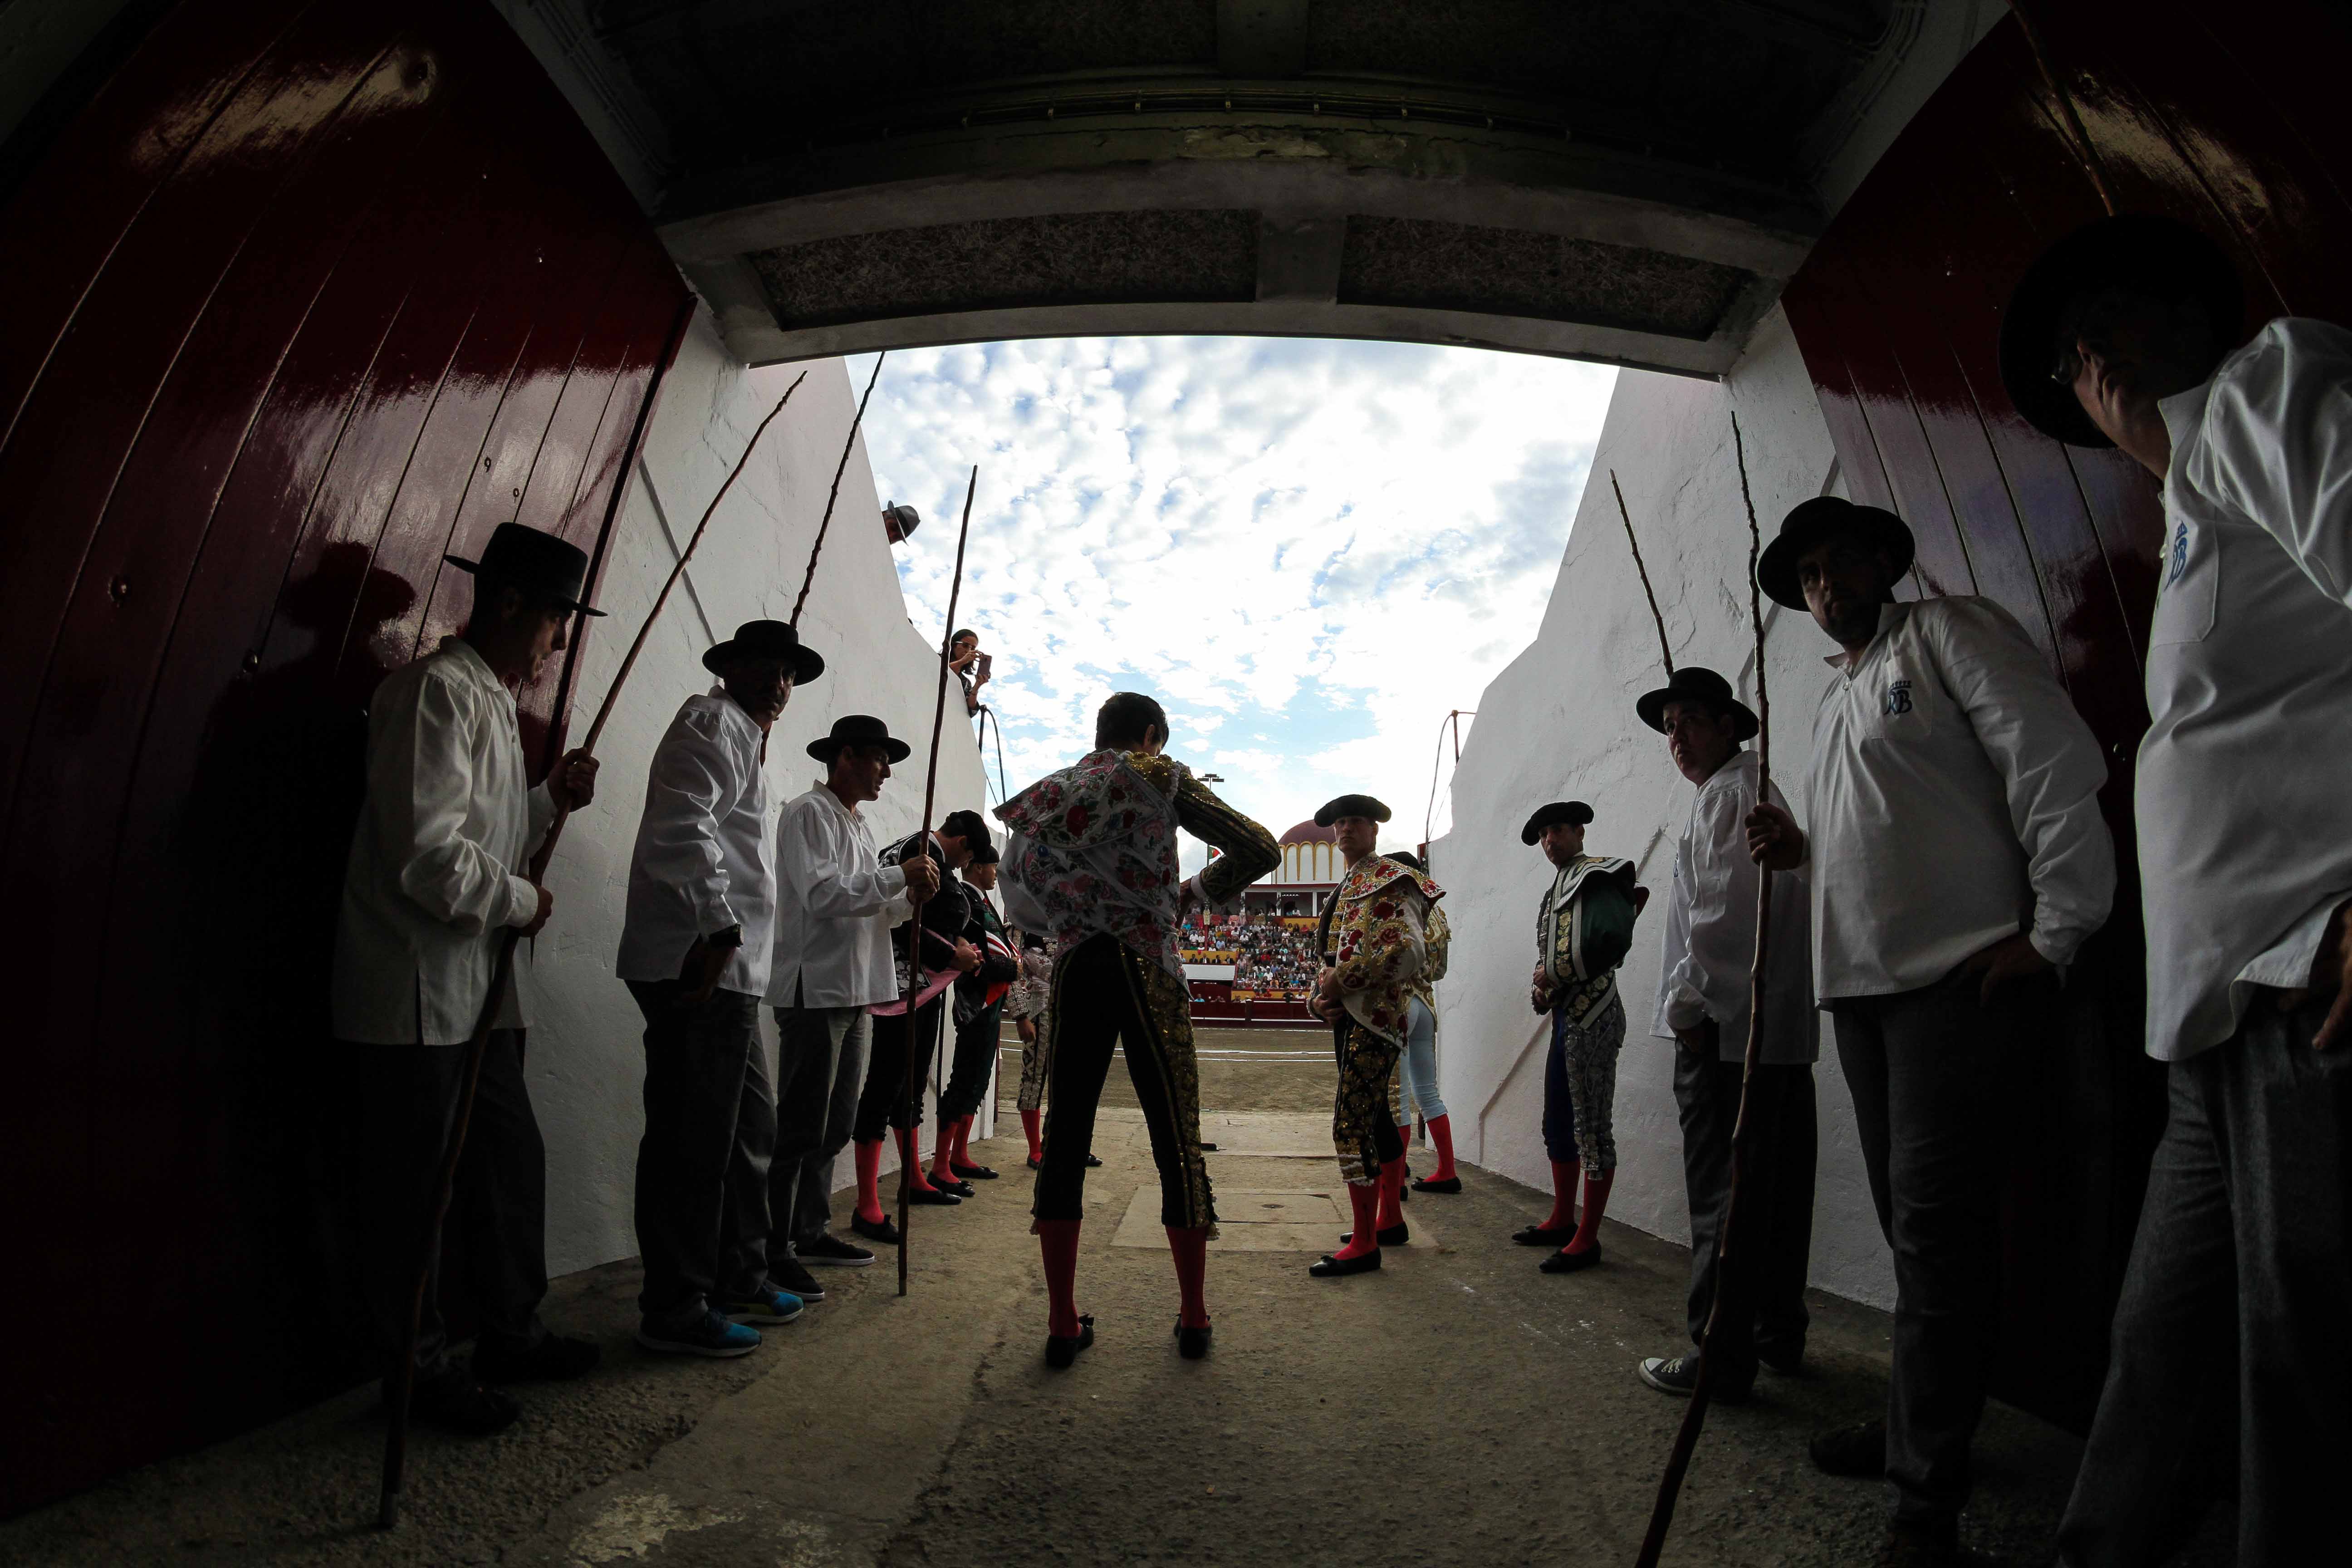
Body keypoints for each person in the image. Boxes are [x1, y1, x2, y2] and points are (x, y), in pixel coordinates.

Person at [2000, 215, 2352, 1568]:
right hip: (2210, 1018)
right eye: (2073, 357)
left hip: (2301, 978)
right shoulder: (2195, 507)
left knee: (2300, 1372)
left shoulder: (2275, 385)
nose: (2092, 356)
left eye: (2113, 318)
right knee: (2159, 1350)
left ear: (2191, 316)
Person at [1744, 495, 2116, 1566]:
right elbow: (1886, 831)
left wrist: (2059, 927)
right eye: (1806, 574)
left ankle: (1925, 1502)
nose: (1823, 585)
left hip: (1958, 983)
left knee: (1941, 1235)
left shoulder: (1948, 631)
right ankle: (1926, 1426)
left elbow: (2046, 757)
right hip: (1859, 994)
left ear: (1881, 562)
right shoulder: (1833, 697)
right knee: (1920, 1233)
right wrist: (1797, 848)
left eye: (1838, 562)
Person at [333, 521, 604, 1435]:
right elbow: (426, 860)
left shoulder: (487, 702)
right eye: (556, 618)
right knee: (415, 1194)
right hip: (414, 995)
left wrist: (545, 802)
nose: (559, 639)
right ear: (511, 602)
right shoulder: (430, 696)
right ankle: (418, 1372)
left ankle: (510, 1334)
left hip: (480, 991)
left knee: (506, 1162)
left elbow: (485, 838)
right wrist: (525, 902)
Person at [996, 692, 1279, 1365]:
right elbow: (1259, 849)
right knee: (1176, 1137)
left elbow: (1021, 894)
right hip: (1148, 963)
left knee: (1065, 1139)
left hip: (1072, 967)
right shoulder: (1159, 775)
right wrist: (1193, 893)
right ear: (1151, 735)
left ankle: (1062, 1322)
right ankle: (1193, 1316)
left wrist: (1076, 913)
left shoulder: (1046, 797)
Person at [617, 620, 822, 1357]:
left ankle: (736, 1273)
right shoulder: (712, 722)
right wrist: (717, 930)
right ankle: (674, 1305)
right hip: (700, 964)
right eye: (765, 667)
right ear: (730, 668)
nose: (778, 683)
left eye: (789, 674)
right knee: (691, 1141)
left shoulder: (744, 737)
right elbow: (682, 827)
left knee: (745, 1133)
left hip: (729, 972)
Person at [1629, 666, 1816, 1404]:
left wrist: (1687, 1013)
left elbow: (1714, 926)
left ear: (1730, 726)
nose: (1675, 738)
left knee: (1723, 1195)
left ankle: (1718, 1355)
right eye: (1668, 727)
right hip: (1769, 1037)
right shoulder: (1752, 790)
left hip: (1723, 1035)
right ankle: (1776, 1334)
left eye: (1690, 722)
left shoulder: (1728, 797)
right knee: (1774, 1192)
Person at [764, 716, 938, 1301]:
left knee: (835, 1124)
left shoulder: (858, 826)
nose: (887, 772)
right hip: (816, 990)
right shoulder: (807, 814)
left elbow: (871, 910)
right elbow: (821, 895)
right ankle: (772, 1246)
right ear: (844, 757)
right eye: (878, 759)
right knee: (800, 1126)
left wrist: (908, 900)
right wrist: (895, 877)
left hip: (856, 989)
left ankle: (808, 1230)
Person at [1306, 797, 1444, 1278]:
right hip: (1351, 1018)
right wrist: (1318, 1000)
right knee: (1379, 1119)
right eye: (1340, 822)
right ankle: (1390, 1221)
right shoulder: (1343, 889)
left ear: (1375, 829)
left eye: (1355, 821)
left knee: (1351, 1125)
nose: (1345, 829)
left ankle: (1365, 1243)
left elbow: (1409, 953)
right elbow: (1327, 962)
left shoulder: (1390, 879)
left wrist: (1345, 982)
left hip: (1376, 1020)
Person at [844, 808, 988, 1240]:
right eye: (969, 859)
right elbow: (900, 925)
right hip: (904, 983)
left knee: (906, 1080)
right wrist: (952, 956)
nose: (966, 869)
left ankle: (911, 1177)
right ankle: (866, 1204)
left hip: (918, 984)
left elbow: (930, 923)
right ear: (963, 844)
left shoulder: (922, 851)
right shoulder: (922, 855)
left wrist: (958, 945)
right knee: (886, 1082)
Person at [1516, 801, 1646, 1273]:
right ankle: (1562, 1218)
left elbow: (1612, 939)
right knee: (1560, 1119)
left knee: (1590, 1124)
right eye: (1545, 835)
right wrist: (1546, 982)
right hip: (1569, 1013)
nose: (1550, 841)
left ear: (1579, 832)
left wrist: (1548, 973)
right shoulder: (1560, 888)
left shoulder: (1601, 874)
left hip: (1594, 1013)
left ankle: (1587, 1237)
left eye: (1558, 831)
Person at [926, 843, 1019, 1190]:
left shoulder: (977, 900)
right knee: (965, 1078)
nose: (995, 873)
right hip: (975, 999)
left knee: (978, 1078)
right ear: (979, 867)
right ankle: (941, 1163)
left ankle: (958, 1154)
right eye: (992, 867)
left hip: (986, 1000)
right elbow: (979, 953)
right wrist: (1014, 966)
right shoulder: (966, 900)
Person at [1382, 850, 1461, 1195]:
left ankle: (1396, 1178)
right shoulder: (1437, 913)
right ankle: (1446, 1170)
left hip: (1398, 1004)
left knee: (1396, 1098)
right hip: (1426, 1004)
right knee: (1428, 1092)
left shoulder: (1396, 909)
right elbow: (1440, 970)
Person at [1004, 931, 1054, 1168]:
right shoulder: (1021, 923)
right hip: (1038, 1011)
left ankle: (1069, 1144)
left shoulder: (1070, 914)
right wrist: (1020, 1015)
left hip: (1072, 1010)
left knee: (1073, 1082)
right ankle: (1036, 1149)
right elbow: (1012, 970)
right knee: (1033, 1078)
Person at [948, 627, 990, 717]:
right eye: (965, 645)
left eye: (973, 648)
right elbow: (939, 670)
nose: (969, 650)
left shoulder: (965, 682)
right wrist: (961, 662)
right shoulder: (935, 658)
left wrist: (977, 687)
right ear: (954, 644)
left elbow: (971, 711)